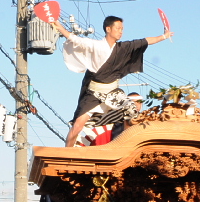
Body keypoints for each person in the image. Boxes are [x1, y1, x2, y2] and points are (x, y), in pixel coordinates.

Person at [52, 15, 173, 147]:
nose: (121, 31)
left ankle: (125, 145)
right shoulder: (96, 45)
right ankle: (67, 152)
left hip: (112, 93)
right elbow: (75, 39)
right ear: (108, 29)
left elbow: (145, 41)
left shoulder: (123, 47)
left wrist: (164, 36)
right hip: (94, 93)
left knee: (131, 111)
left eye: (122, 29)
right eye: (118, 28)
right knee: (77, 125)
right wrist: (60, 27)